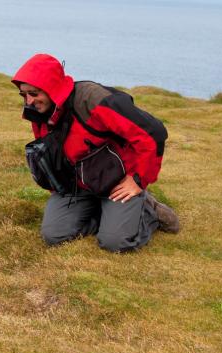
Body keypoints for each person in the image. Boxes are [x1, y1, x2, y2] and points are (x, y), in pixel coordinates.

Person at [12, 54, 179, 252]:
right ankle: (109, 216)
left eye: (34, 93)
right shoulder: (39, 111)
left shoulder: (94, 101)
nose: (29, 101)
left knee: (115, 243)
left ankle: (149, 212)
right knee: (54, 235)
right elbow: (49, 151)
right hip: (76, 185)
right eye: (24, 95)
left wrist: (138, 180)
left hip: (115, 182)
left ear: (51, 87)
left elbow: (153, 133)